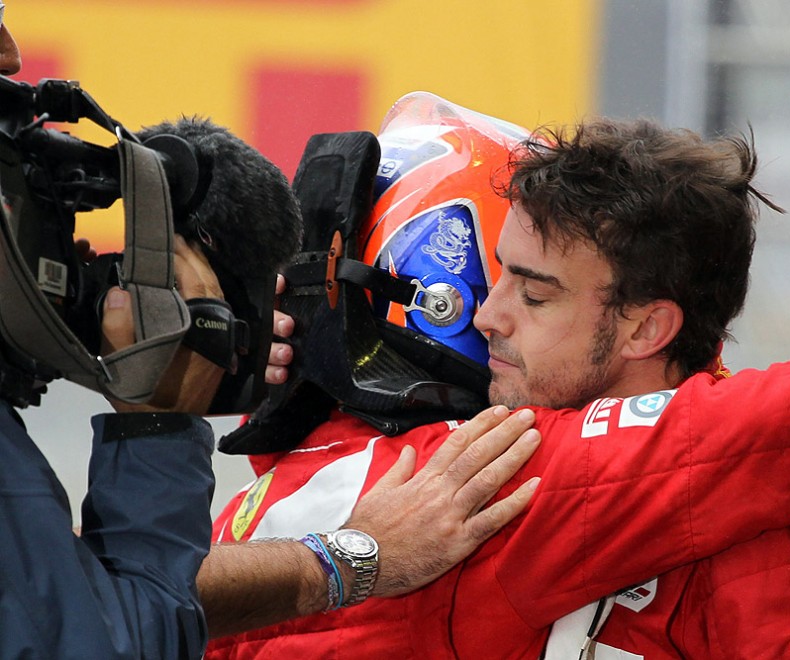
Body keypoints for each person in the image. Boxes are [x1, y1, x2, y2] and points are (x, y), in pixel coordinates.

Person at [206, 94, 790, 658]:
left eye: (533, 293)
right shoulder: (446, 470)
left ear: (649, 325)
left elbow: (783, 424)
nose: (487, 316)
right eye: (493, 280)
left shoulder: (764, 528)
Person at [0, 15, 542, 654]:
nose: (10, 51)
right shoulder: (518, 469)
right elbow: (101, 638)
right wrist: (158, 422)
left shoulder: (283, 492)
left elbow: (82, 603)